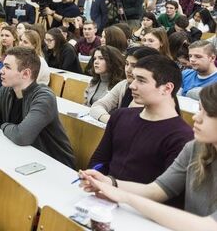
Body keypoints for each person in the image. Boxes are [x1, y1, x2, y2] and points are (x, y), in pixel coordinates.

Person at [79, 83, 217, 231]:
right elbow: (157, 190)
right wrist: (109, 182)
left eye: (207, 113)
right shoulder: (196, 147)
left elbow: (209, 226)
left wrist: (125, 197)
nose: (196, 117)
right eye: (199, 109)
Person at [87, 55, 194, 206]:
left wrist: (111, 187)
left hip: (141, 209)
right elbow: (99, 160)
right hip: (104, 198)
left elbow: (168, 195)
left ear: (167, 88)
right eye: (134, 78)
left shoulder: (181, 136)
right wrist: (96, 182)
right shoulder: (120, 116)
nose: (132, 85)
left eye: (141, 80)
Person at [90, 47, 160, 123]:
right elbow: (97, 106)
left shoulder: (152, 93)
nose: (128, 69)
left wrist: (116, 123)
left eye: (134, 65)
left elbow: (130, 120)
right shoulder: (124, 84)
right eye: (126, 64)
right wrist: (112, 121)